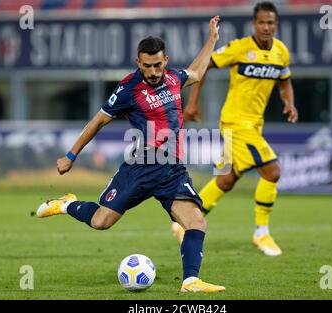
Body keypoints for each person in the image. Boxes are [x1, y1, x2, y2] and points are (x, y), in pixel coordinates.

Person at [35, 16, 225, 293]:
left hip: (171, 171)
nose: (153, 71)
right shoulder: (128, 89)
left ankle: (190, 281)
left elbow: (196, 73)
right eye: (147, 66)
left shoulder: (173, 78)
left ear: (165, 60)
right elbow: (98, 121)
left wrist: (211, 40)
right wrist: (71, 156)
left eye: (157, 64)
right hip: (140, 168)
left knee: (197, 222)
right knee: (101, 222)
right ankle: (66, 204)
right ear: (138, 63)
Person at [171, 2, 298, 257]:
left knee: (226, 179)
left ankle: (182, 223)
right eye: (261, 22)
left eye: (270, 22)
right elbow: (204, 66)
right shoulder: (239, 48)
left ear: (276, 24)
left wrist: (289, 104)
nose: (265, 27)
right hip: (236, 123)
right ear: (254, 24)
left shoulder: (281, 52)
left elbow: (285, 82)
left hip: (254, 125)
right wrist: (193, 102)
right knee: (273, 171)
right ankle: (261, 232)